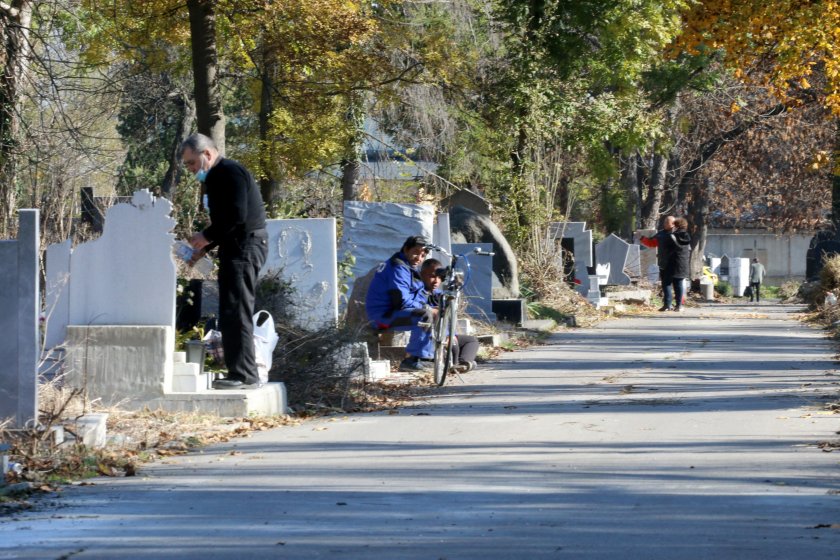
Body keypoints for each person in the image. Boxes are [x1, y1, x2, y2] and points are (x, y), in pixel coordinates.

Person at [181, 133, 268, 389]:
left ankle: (244, 376)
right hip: (238, 245)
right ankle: (239, 372)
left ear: (207, 153)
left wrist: (206, 236)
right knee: (230, 310)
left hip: (245, 246)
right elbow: (227, 223)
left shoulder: (228, 172)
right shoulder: (218, 176)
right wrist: (205, 246)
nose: (191, 169)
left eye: (192, 163)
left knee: (236, 310)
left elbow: (237, 217)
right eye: (187, 165)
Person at [365, 236, 436, 372]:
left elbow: (419, 294)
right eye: (416, 252)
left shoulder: (407, 267)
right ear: (406, 249)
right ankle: (414, 360)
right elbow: (401, 301)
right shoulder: (397, 268)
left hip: (394, 313)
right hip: (383, 318)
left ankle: (444, 355)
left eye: (422, 255)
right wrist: (427, 307)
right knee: (424, 315)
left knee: (437, 311)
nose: (419, 258)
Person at [419, 258, 480, 373]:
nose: (436, 281)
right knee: (454, 345)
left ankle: (464, 363)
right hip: (431, 335)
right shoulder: (420, 293)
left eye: (439, 277)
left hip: (445, 334)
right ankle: (456, 365)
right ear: (422, 275)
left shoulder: (439, 294)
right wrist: (448, 336)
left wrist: (452, 335)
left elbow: (448, 316)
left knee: (471, 341)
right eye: (432, 276)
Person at [640, 215, 676, 311]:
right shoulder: (661, 234)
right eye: (664, 222)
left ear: (672, 224)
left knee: (671, 284)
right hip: (663, 262)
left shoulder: (677, 234)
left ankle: (672, 304)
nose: (664, 224)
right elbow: (652, 243)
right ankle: (668, 304)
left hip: (673, 262)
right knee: (665, 284)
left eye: (666, 222)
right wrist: (642, 238)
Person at [669, 217, 692, 312]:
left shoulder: (673, 236)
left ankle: (674, 304)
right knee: (680, 284)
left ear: (676, 225)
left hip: (673, 261)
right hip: (683, 262)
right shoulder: (687, 236)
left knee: (674, 285)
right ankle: (679, 305)